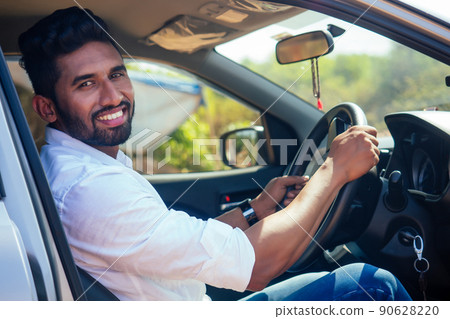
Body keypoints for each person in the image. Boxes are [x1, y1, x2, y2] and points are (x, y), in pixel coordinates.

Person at [18, 6, 411, 301]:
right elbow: (256, 267)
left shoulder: (80, 166)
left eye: (116, 74)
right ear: (47, 108)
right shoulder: (91, 188)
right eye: (86, 84)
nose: (113, 96)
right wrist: (333, 171)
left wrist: (258, 208)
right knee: (374, 286)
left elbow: (181, 242)